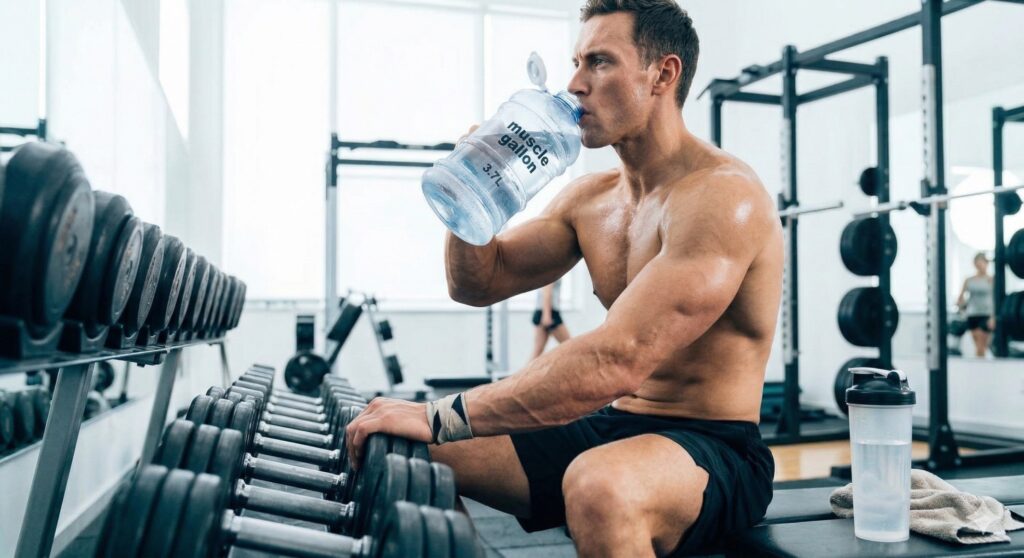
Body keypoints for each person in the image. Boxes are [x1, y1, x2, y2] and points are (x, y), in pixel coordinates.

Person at [346, 1, 783, 555]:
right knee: (398, 448)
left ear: (662, 75)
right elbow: (478, 283)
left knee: (600, 487)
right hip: (613, 424)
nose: (575, 83)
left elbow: (619, 359)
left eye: (599, 62)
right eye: (576, 62)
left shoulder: (723, 198)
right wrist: (473, 189)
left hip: (712, 445)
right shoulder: (592, 200)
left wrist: (442, 416)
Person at [956, 252, 994, 357]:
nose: (980, 266)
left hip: (986, 315)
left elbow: (995, 299)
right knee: (978, 346)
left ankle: (981, 364)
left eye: (981, 263)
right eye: (977, 264)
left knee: (982, 345)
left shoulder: (991, 280)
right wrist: (961, 305)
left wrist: (993, 317)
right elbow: (961, 298)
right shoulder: (968, 280)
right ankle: (981, 364)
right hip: (972, 314)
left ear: (986, 264)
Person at [532, 279, 572, 359]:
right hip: (549, 313)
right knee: (570, 346)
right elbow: (547, 293)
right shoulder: (550, 274)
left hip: (545, 312)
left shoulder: (553, 273)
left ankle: (527, 368)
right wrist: (547, 315)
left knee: (538, 350)